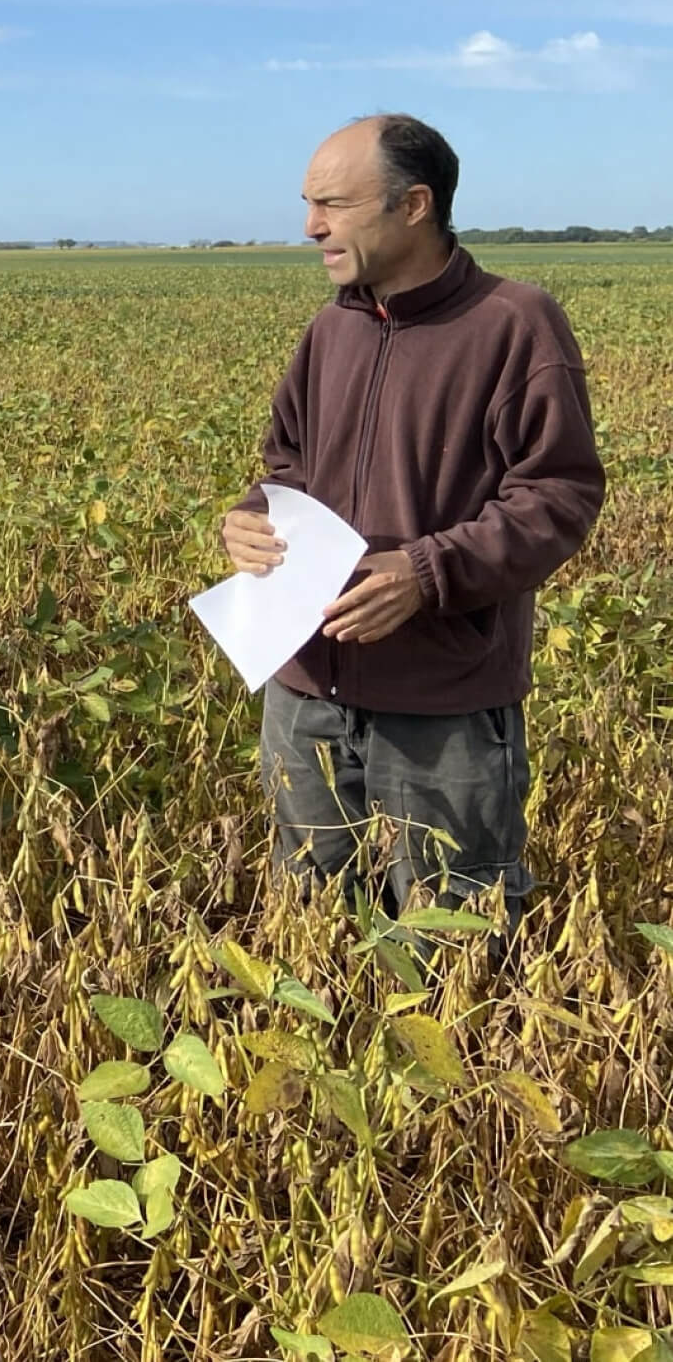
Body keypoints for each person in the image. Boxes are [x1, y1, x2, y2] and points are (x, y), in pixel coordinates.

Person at [222, 114, 604, 925]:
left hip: (444, 705)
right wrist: (252, 518)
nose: (310, 225)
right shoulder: (331, 330)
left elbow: (559, 494)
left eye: (333, 203)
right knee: (314, 927)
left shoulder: (515, 325)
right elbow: (287, 463)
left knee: (452, 941)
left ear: (415, 204)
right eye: (307, 202)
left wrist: (428, 574)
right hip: (305, 697)